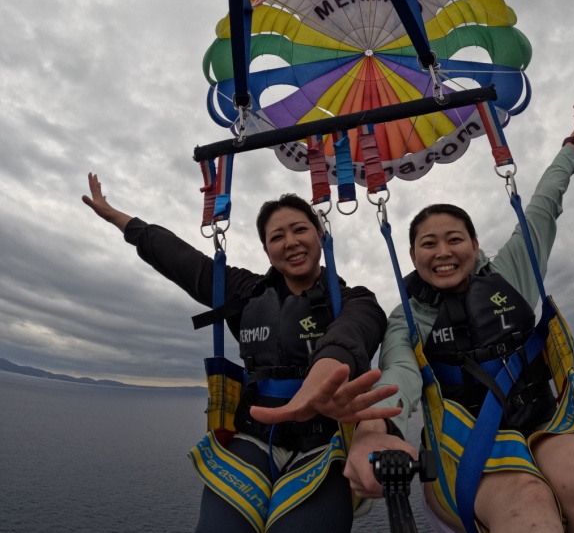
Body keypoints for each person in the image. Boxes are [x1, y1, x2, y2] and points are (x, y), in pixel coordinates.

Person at [344, 102, 574, 532]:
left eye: (454, 239)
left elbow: (543, 204)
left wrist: (572, 145)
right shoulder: (406, 318)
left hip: (541, 423)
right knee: (528, 508)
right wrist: (374, 428)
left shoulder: (511, 273)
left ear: (475, 244)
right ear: (412, 256)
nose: (443, 252)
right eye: (428, 244)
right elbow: (398, 373)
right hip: (464, 446)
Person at [82, 183, 399, 533]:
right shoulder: (246, 293)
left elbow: (353, 333)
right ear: (266, 250)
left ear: (321, 235)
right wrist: (120, 220)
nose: (290, 242)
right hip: (253, 436)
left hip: (325, 444)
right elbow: (180, 259)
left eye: (300, 229)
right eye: (277, 236)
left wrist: (321, 375)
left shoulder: (357, 300)